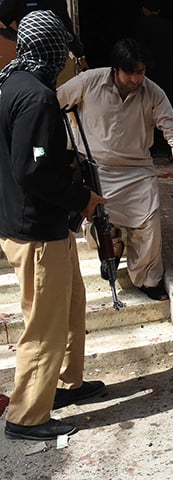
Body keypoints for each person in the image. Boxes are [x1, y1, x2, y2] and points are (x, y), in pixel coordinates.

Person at [0, 10, 106, 441]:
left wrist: (65, 164)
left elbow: (27, 157)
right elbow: (31, 169)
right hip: (36, 228)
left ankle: (66, 384)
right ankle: (26, 417)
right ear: (51, 48)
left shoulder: (9, 82)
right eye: (61, 47)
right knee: (43, 325)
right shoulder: (38, 96)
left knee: (71, 306)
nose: (64, 55)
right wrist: (81, 198)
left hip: (32, 223)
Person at [57, 38, 173, 301]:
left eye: (141, 72)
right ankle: (113, 247)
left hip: (137, 171)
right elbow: (53, 104)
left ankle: (147, 279)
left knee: (149, 225)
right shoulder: (88, 82)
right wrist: (65, 147)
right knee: (98, 226)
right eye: (129, 72)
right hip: (97, 170)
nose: (135, 78)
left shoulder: (153, 93)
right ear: (115, 69)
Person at [0, 0, 89, 73]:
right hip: (31, 55)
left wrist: (80, 55)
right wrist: (21, 38)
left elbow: (67, 27)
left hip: (57, 55)